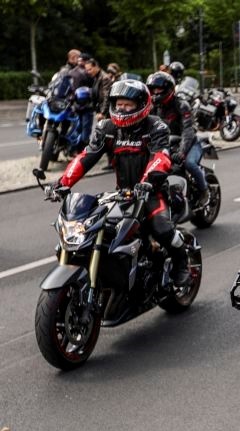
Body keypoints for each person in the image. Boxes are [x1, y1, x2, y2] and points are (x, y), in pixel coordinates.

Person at [54, 80, 190, 286]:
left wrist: (146, 182)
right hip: (122, 194)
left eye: (128, 105)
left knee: (162, 229)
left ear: (142, 105)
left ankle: (182, 263)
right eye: (119, 104)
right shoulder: (107, 127)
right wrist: (62, 182)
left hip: (152, 192)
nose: (122, 109)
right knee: (96, 228)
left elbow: (160, 157)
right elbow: (86, 157)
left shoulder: (156, 126)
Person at [146, 71, 209, 206]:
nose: (156, 93)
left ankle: (204, 191)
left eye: (159, 90)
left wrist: (181, 152)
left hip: (188, 143)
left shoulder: (181, 105)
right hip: (166, 144)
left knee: (189, 164)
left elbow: (188, 130)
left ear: (169, 90)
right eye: (153, 91)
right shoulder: (152, 108)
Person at [84, 58, 112, 123]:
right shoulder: (96, 77)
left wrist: (103, 113)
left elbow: (107, 96)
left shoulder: (105, 78)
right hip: (99, 110)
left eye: (90, 69)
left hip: (105, 112)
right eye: (87, 70)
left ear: (96, 66)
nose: (88, 72)